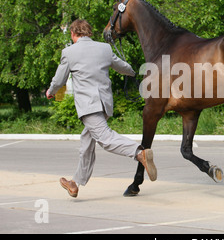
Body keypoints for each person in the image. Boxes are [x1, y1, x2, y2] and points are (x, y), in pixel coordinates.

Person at [46, 19, 156, 198]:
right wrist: (133, 72)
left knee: (104, 138)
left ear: (73, 34)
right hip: (104, 104)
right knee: (87, 141)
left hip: (89, 106)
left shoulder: (69, 52)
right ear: (89, 33)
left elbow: (59, 80)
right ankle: (75, 183)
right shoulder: (104, 49)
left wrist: (51, 91)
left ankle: (139, 153)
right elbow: (123, 67)